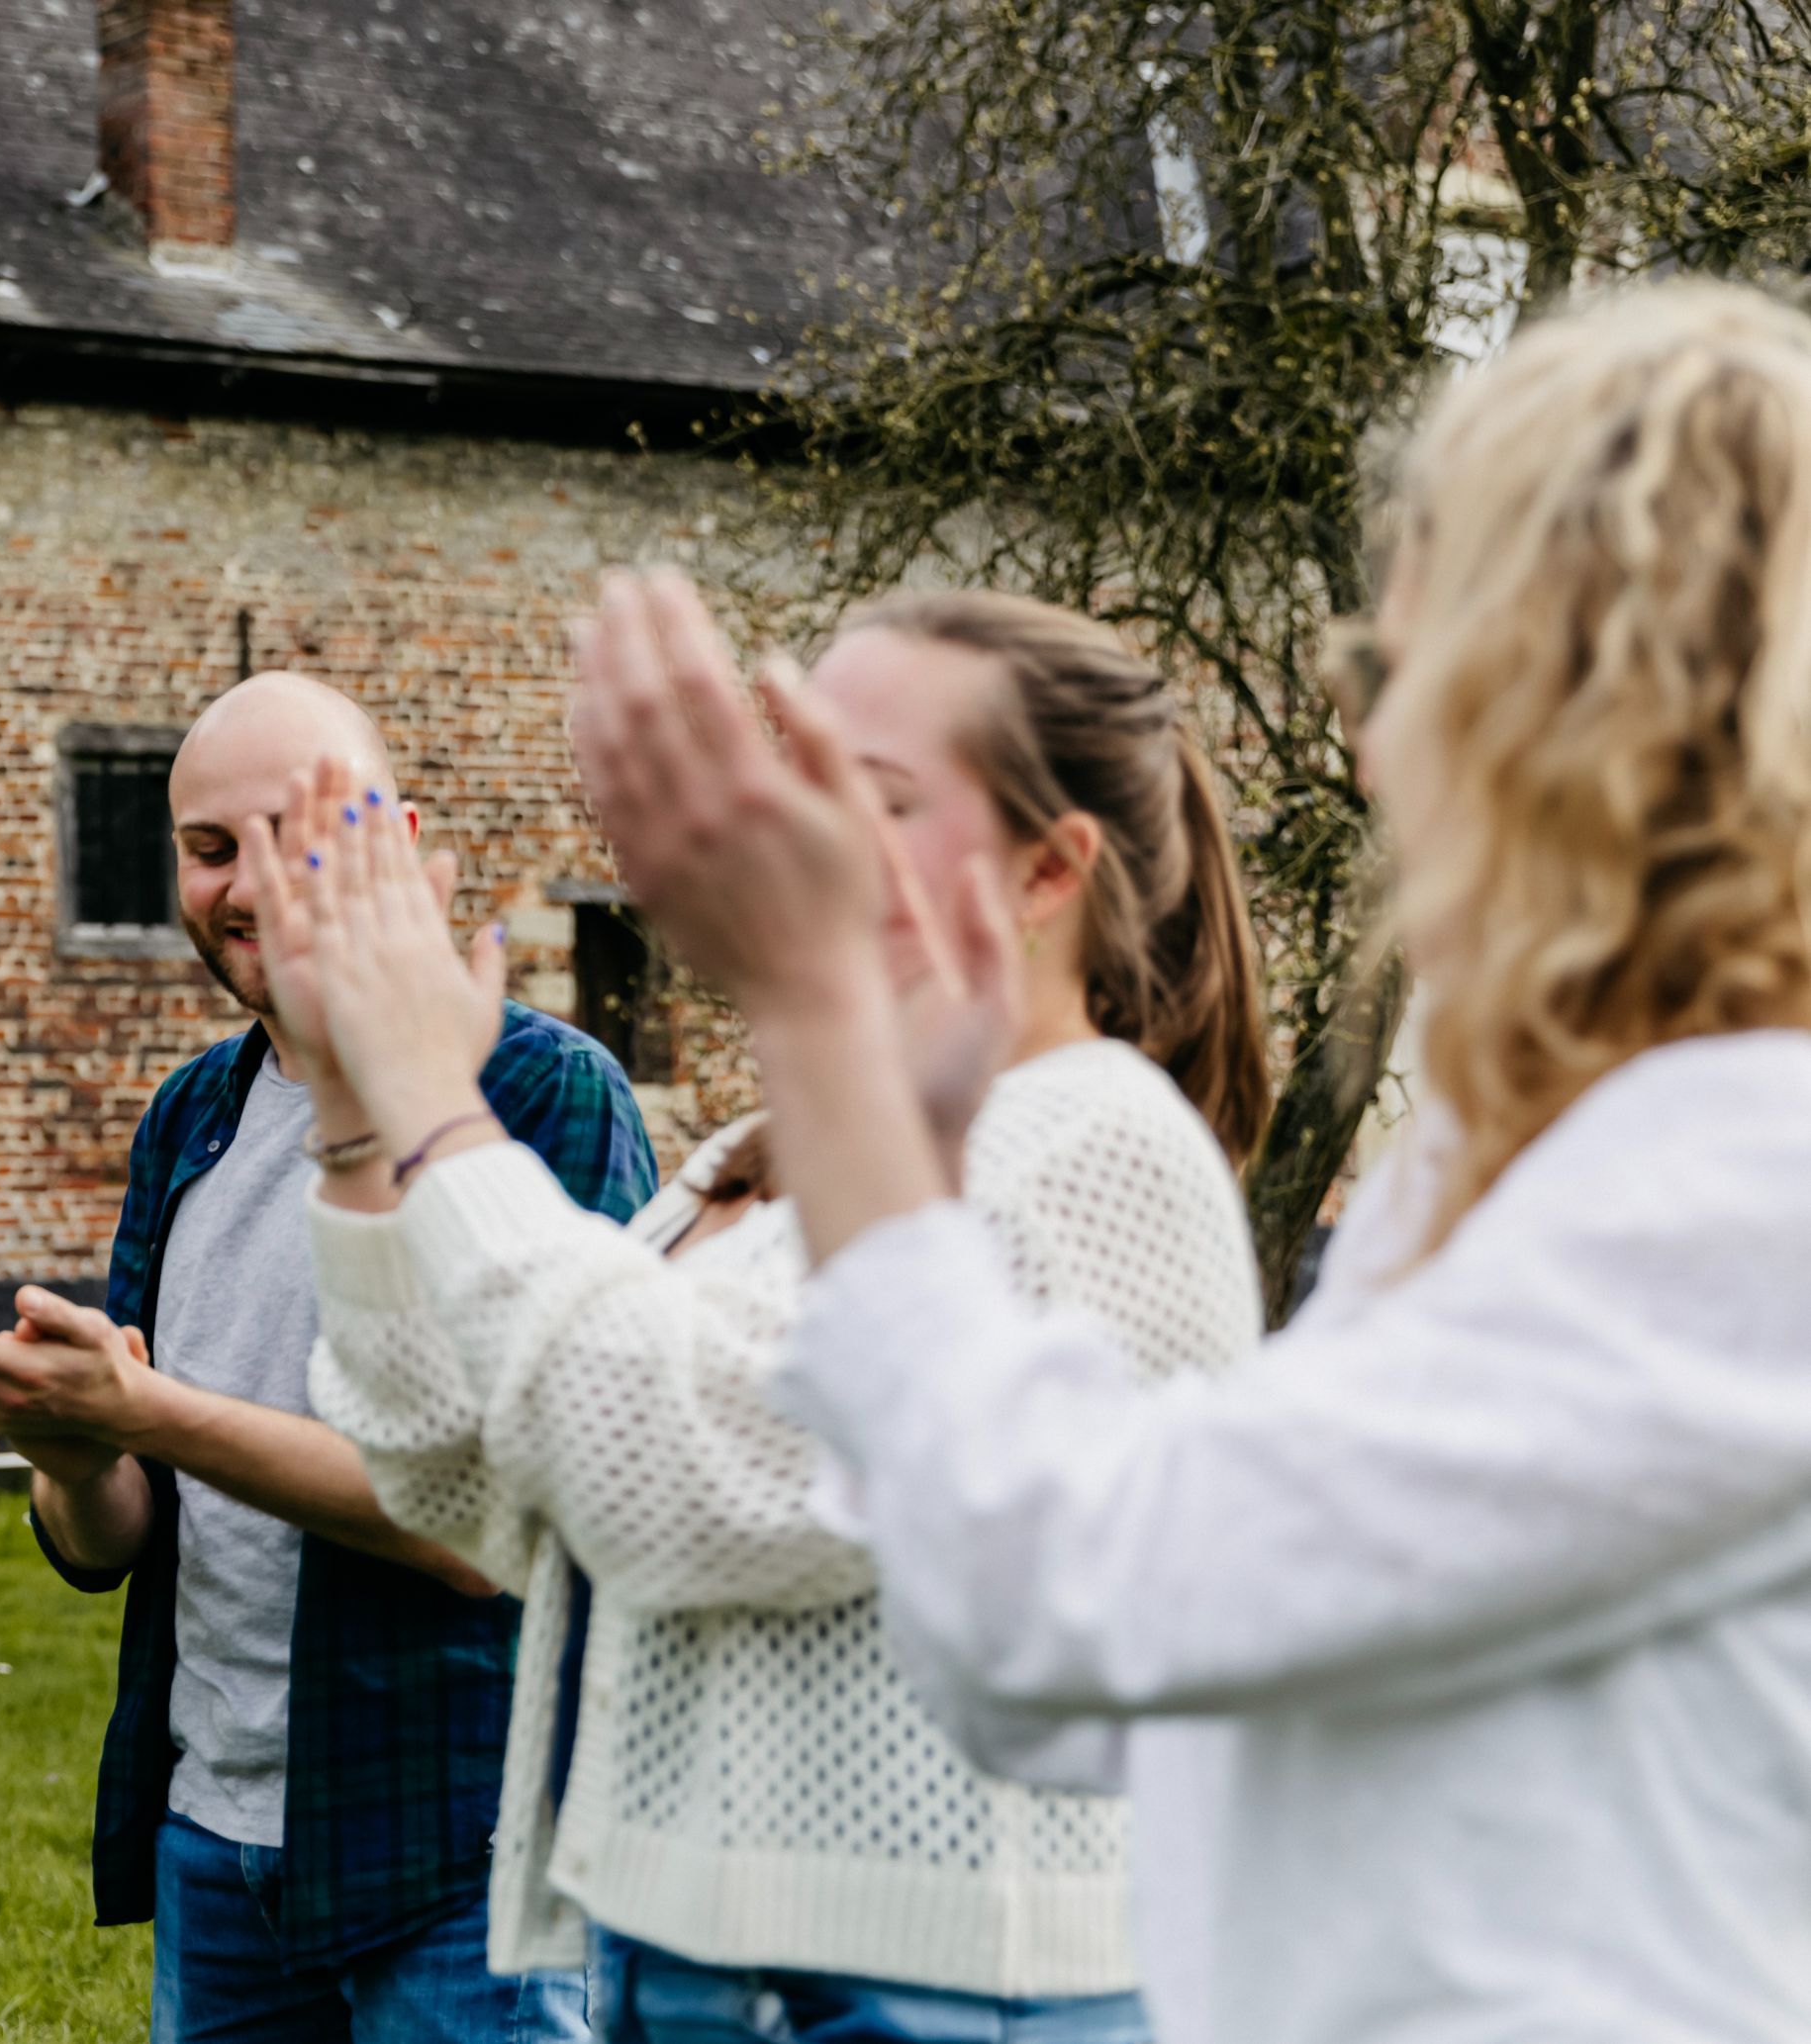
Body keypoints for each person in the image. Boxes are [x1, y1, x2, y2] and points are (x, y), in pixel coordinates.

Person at [566, 281, 1811, 2044]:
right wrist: (900, 1148)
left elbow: (1081, 1597)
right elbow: (1091, 1685)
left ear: (1579, 704)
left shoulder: (1744, 1177)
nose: (1373, 747)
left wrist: (820, 1022)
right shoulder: (1505, 1155)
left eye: (1399, 668)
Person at [239, 594, 1269, 2044]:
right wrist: (357, 1114)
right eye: (797, 775)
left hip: (944, 1990)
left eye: (874, 796)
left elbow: (681, 1484)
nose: (792, 834)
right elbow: (478, 1482)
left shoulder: (1094, 1138)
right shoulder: (764, 1162)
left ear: (1048, 869)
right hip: (697, 1967)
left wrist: (440, 1114)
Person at [0, 671, 656, 2044]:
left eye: (298, 833)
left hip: (463, 1841)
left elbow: (489, 1530)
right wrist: (69, 1444)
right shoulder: (193, 1114)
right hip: (216, 1835)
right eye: (206, 848)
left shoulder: (541, 1091)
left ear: (402, 837)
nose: (248, 884)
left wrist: (148, 1407)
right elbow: (112, 1536)